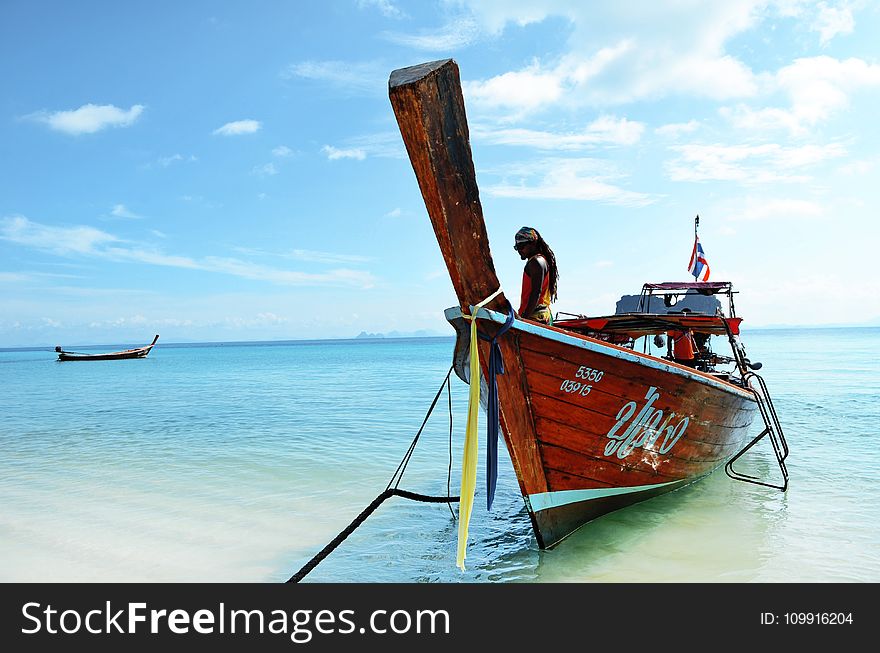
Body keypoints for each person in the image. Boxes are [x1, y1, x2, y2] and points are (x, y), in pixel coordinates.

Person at [514, 226, 558, 324]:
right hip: (541, 315)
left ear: (533, 243)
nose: (519, 250)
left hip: (536, 316)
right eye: (516, 247)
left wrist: (523, 319)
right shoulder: (539, 260)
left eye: (522, 246)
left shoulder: (536, 262)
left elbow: (536, 293)